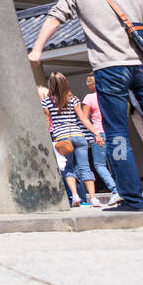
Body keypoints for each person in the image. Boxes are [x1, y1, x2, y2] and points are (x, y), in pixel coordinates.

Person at [28, 0, 143, 215]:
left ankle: (132, 199)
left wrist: (37, 49)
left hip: (109, 70)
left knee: (117, 134)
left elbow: (56, 16)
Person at [40, 73, 101, 207]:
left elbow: (46, 122)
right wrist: (96, 132)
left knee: (68, 168)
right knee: (85, 167)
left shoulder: (46, 102)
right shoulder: (73, 99)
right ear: (65, 83)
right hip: (78, 136)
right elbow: (83, 119)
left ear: (51, 84)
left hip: (62, 139)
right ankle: (93, 198)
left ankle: (75, 197)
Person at [78, 74, 117, 194]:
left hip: (99, 133)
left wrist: (93, 133)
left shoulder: (89, 98)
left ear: (92, 84)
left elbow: (84, 118)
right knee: (117, 161)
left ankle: (114, 189)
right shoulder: (110, 95)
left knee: (99, 164)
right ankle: (124, 187)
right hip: (115, 132)